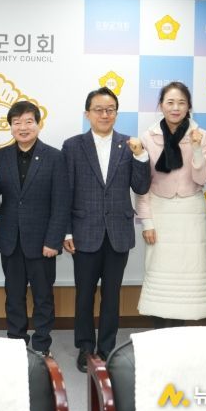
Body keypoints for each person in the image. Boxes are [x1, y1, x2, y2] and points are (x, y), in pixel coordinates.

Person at [62, 86, 150, 372]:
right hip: (83, 232)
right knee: (84, 295)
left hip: (117, 232)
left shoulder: (130, 145)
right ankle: (86, 348)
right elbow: (65, 192)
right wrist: (67, 231)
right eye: (98, 110)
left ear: (116, 113)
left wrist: (141, 157)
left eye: (110, 109)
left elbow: (141, 187)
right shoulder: (73, 146)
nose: (104, 114)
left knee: (111, 296)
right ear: (87, 114)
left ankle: (107, 348)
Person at [0, 100, 69, 356]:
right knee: (14, 295)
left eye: (29, 121)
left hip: (42, 242)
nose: (23, 127)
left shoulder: (54, 157)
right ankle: (16, 341)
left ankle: (42, 344)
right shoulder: (1, 156)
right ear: (10, 127)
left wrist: (53, 241)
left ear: (38, 125)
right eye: (17, 122)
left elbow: (61, 202)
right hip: (11, 240)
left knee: (43, 297)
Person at [135, 82, 206, 327]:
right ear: (161, 105)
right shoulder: (148, 137)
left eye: (181, 103)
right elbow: (142, 184)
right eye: (170, 102)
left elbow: (202, 178)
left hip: (190, 212)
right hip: (159, 211)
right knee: (159, 273)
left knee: (187, 275)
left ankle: (179, 334)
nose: (175, 108)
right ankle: (159, 331)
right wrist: (146, 222)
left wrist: (196, 149)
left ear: (189, 106)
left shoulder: (201, 135)